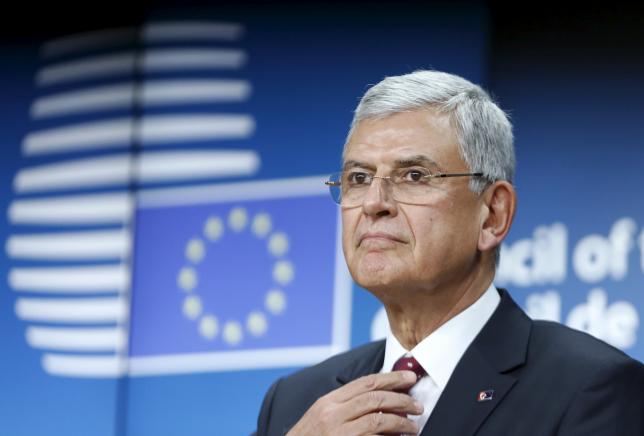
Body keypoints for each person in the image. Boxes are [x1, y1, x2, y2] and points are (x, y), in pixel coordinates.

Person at [255, 70, 644, 435]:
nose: (374, 203)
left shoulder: (589, 386)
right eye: (358, 178)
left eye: (414, 176)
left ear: (493, 215)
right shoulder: (294, 403)